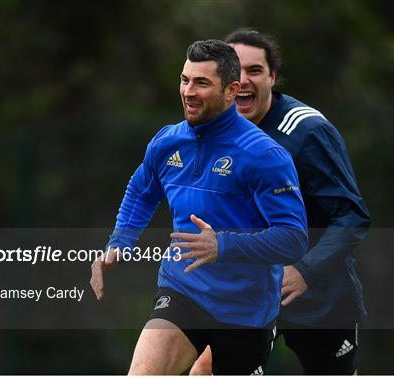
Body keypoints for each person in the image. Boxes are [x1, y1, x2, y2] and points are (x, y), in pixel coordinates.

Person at [90, 39, 308, 375]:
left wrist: (222, 244)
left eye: (202, 83)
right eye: (184, 80)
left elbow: (293, 238)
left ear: (231, 91)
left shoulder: (264, 155)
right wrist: (120, 242)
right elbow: (141, 190)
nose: (188, 92)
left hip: (245, 314)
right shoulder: (167, 141)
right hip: (183, 290)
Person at [190, 29, 371, 375]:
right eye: (234, 71)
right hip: (248, 297)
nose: (243, 80)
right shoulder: (211, 131)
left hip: (319, 298)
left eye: (255, 70)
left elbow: (351, 217)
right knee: (205, 371)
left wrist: (305, 271)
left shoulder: (307, 132)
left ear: (272, 77)